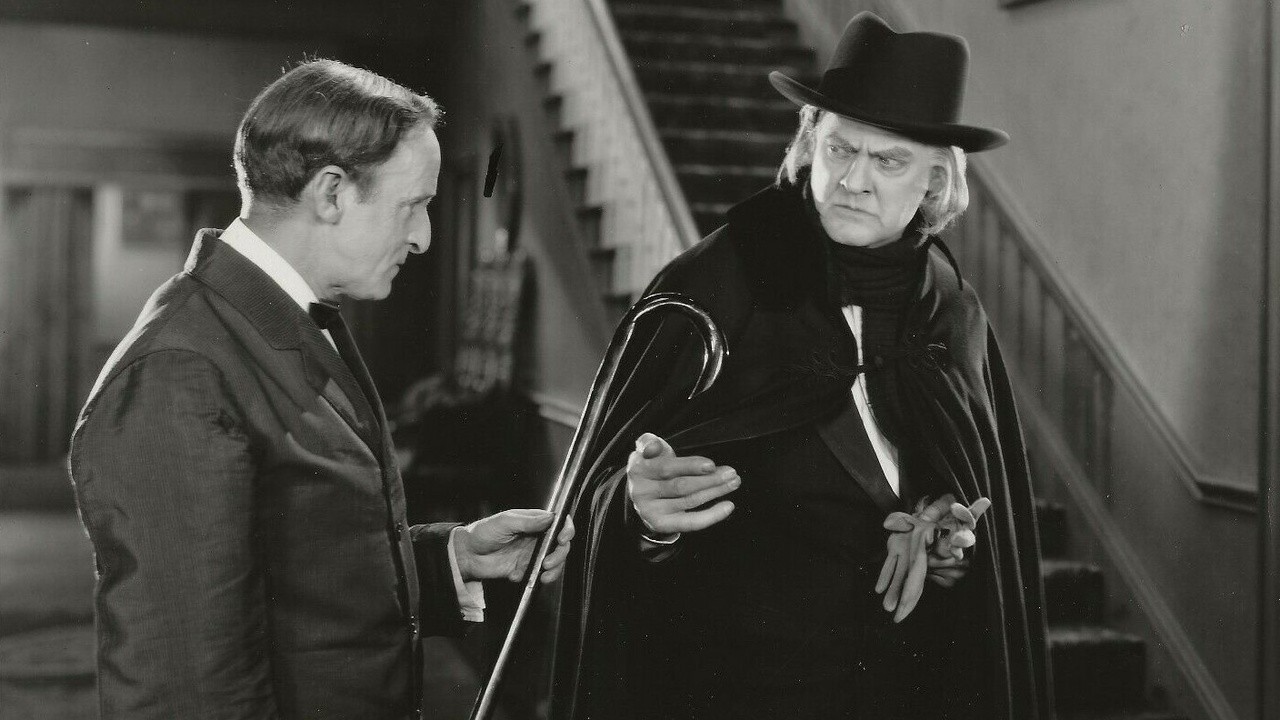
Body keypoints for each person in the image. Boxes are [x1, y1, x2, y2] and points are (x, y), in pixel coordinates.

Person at [550, 12, 1051, 720]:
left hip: (898, 695)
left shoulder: (949, 305)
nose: (853, 180)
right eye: (840, 148)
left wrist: (949, 544)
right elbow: (598, 500)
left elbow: (970, 498)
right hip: (738, 692)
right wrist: (642, 517)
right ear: (809, 144)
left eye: (889, 162)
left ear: (935, 183)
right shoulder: (713, 283)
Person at [69, 59, 573, 720]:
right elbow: (186, 689)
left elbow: (302, 571)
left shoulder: (284, 319)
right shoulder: (179, 371)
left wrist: (450, 558)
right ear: (331, 192)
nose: (423, 237)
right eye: (413, 205)